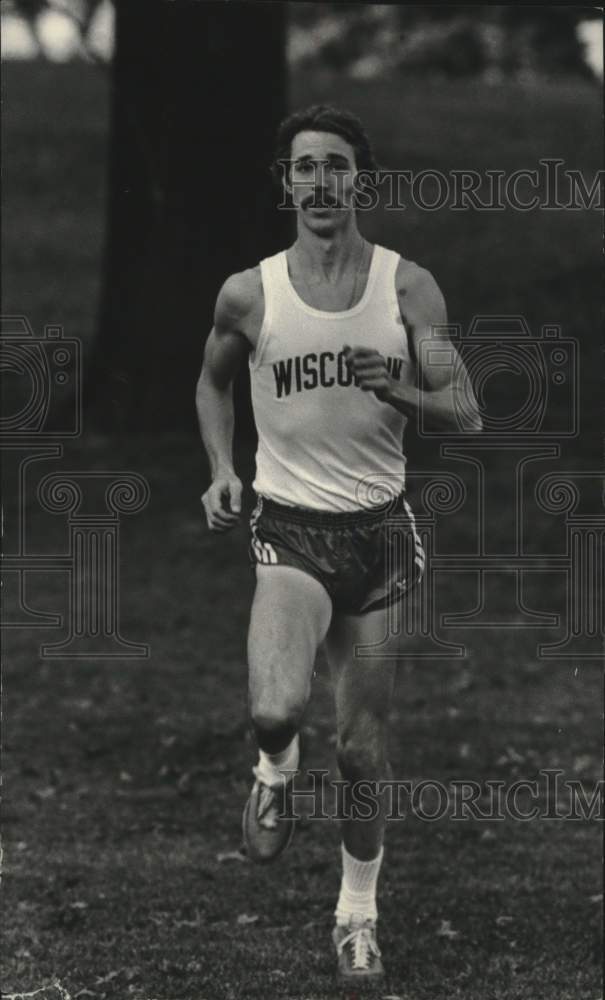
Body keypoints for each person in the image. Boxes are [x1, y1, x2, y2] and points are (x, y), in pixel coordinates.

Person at [196, 104, 481, 986]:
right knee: (276, 708)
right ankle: (274, 769)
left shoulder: (406, 288)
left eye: (336, 166)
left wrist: (396, 384)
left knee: (361, 749)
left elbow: (463, 411)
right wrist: (219, 469)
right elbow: (212, 385)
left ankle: (356, 915)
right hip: (289, 527)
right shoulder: (250, 292)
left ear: (362, 179)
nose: (320, 182)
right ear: (284, 182)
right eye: (304, 167)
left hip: (382, 538)